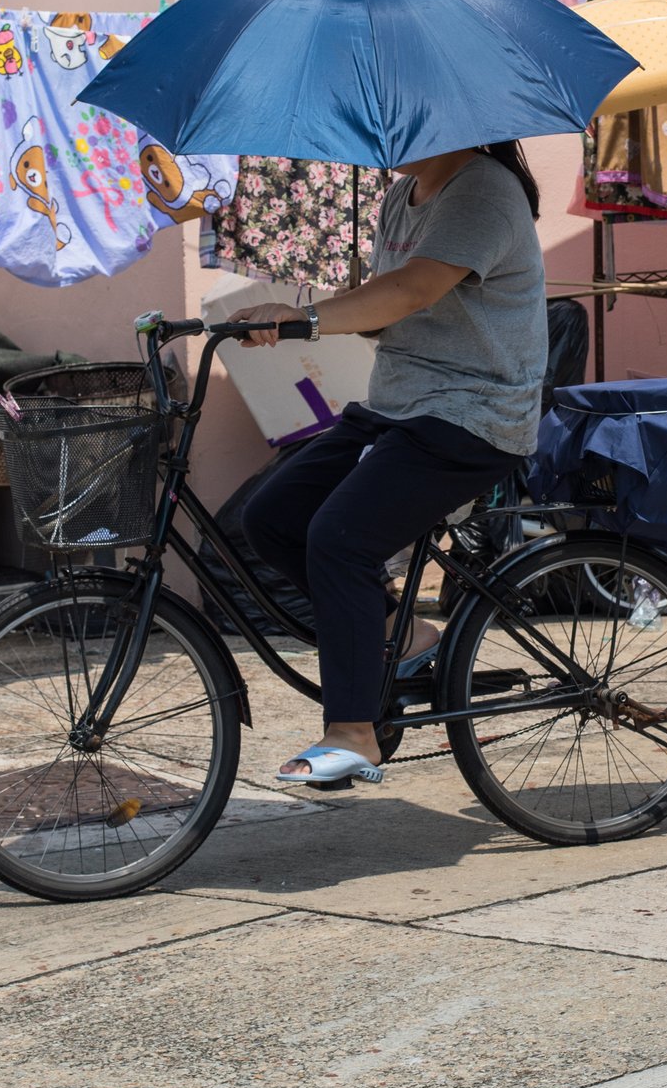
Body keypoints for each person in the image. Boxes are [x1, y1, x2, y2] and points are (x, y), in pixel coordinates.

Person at [234, 141, 546, 787]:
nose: (389, 135)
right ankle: (397, 635)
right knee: (271, 517)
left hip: (473, 415)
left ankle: (353, 733)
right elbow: (388, 311)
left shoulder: (484, 189)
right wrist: (292, 311)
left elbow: (412, 289)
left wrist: (305, 318)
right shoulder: (401, 199)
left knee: (338, 538)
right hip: (401, 408)